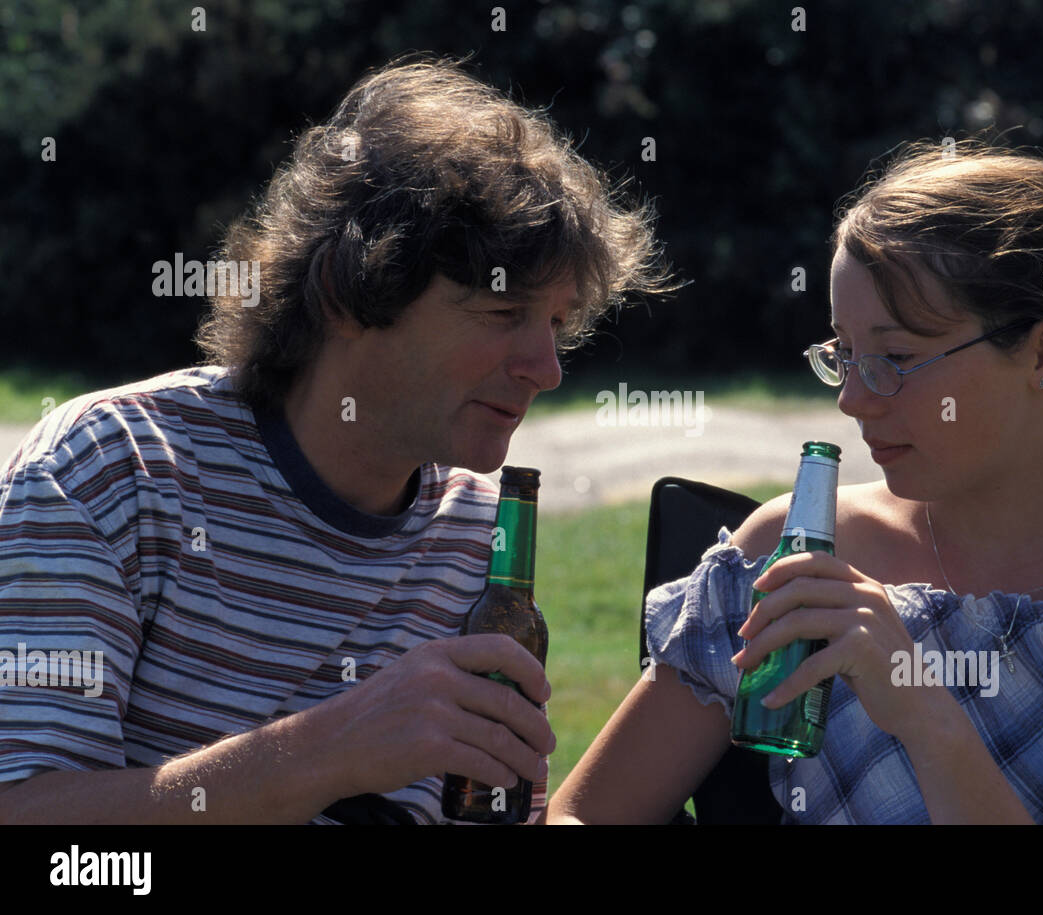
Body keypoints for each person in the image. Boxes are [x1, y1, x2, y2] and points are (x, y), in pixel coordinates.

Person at [0, 56, 671, 824]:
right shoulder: (110, 472)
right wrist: (327, 750)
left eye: (556, 322)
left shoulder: (478, 529)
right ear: (348, 295)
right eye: (501, 313)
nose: (546, 368)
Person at [546, 139, 1043, 824]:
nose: (852, 398)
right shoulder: (791, 554)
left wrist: (921, 710)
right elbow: (582, 813)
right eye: (843, 354)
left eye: (896, 359)